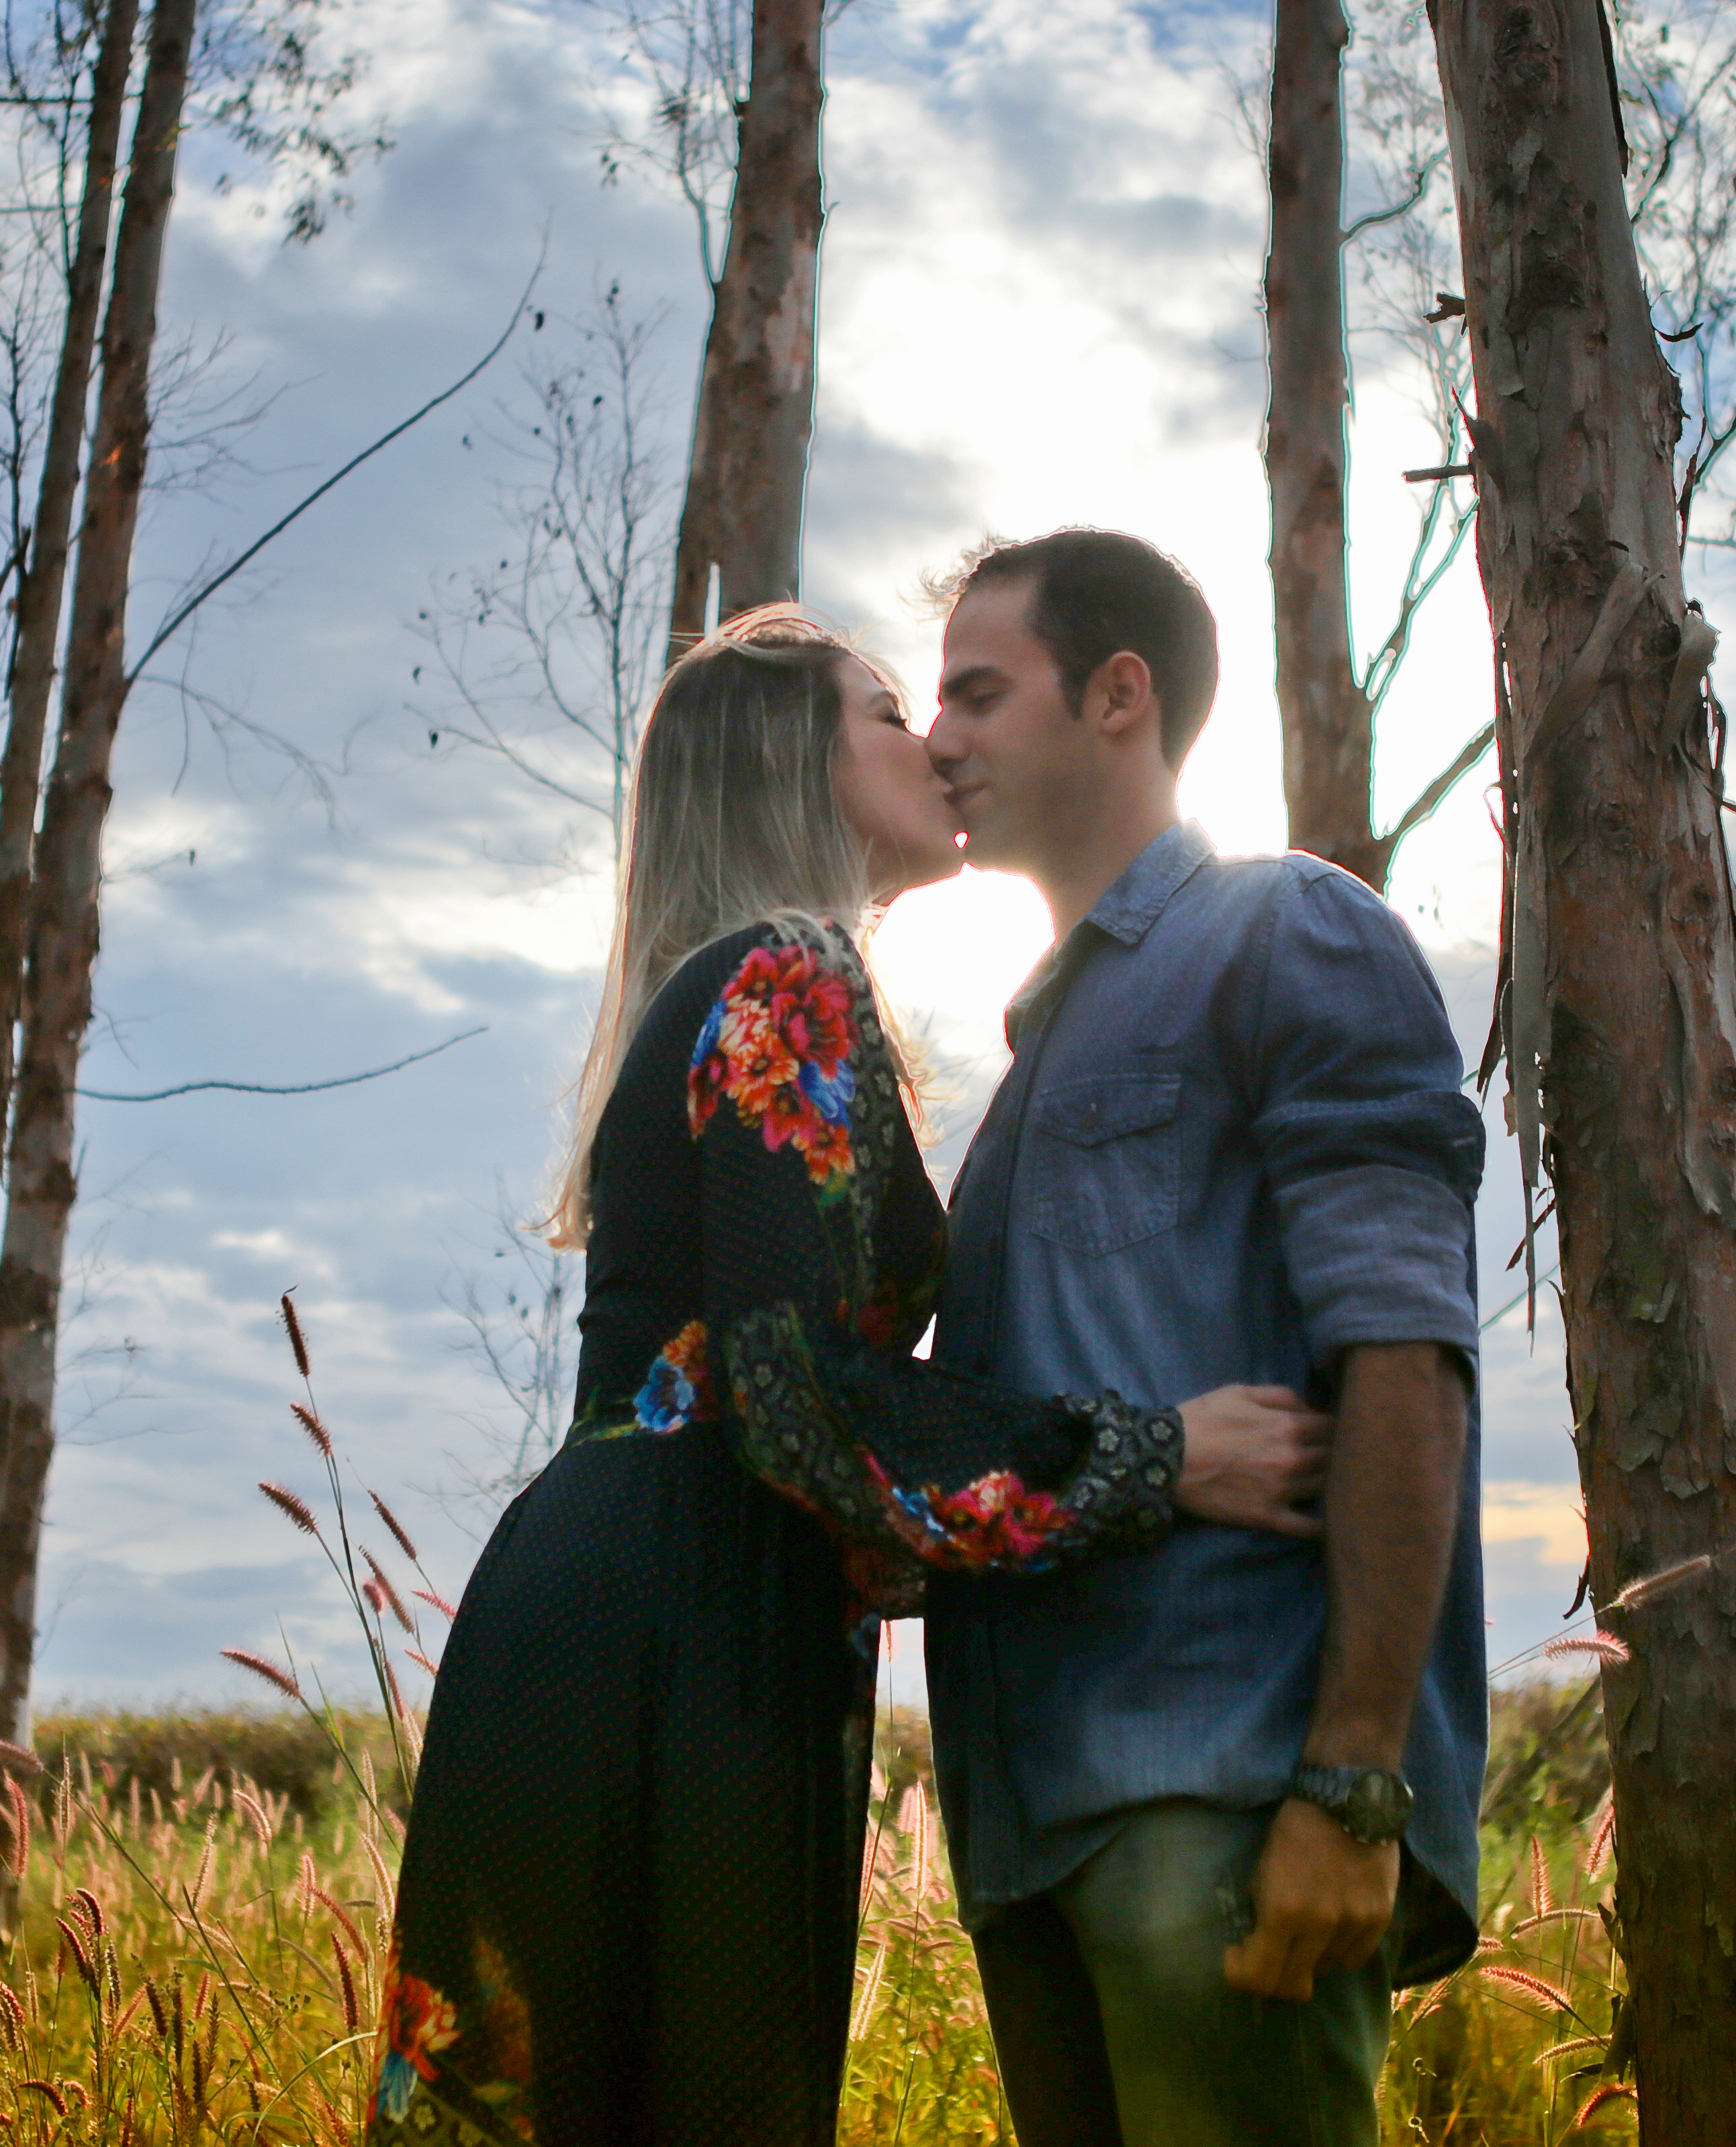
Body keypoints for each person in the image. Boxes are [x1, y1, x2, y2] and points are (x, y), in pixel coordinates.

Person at [370, 608, 1332, 2147]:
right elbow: (798, 1397)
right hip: (678, 1630)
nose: (936, 740)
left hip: (630, 1607)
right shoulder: (785, 974)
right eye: (887, 710)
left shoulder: (747, 984)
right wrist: (1159, 1459)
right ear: (790, 765)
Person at [920, 531, 1489, 2147]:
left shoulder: (1285, 931)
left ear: (1119, 696)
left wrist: (1352, 1784)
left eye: (978, 689)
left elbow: (1405, 1353)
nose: (939, 735)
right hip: (1029, 1837)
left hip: (1220, 1797)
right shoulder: (1033, 1047)